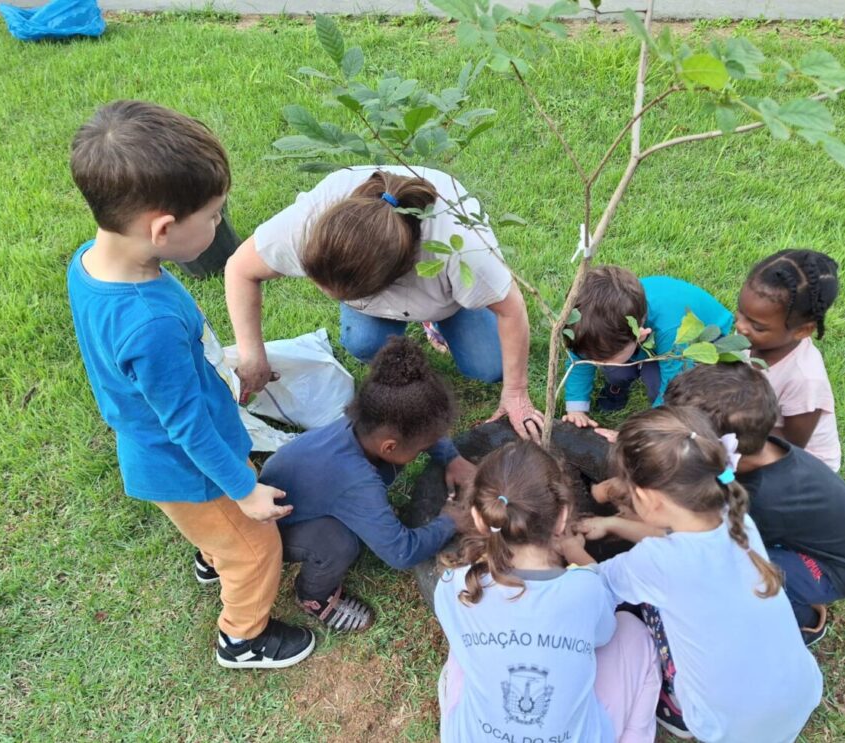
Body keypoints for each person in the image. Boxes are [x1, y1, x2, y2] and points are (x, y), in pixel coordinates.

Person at [66, 100, 314, 669]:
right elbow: (187, 427)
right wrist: (245, 491)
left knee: (218, 531)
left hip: (150, 445)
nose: (220, 226)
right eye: (214, 215)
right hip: (189, 464)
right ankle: (242, 637)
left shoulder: (90, 261)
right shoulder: (148, 323)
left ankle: (212, 549)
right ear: (163, 228)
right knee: (255, 551)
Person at [224, 165, 544, 439]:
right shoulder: (305, 225)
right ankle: (420, 314)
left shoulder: (462, 250)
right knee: (363, 343)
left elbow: (511, 309)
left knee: (489, 368)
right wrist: (253, 354)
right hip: (392, 279)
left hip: (442, 290)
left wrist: (516, 394)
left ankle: (436, 315)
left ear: (399, 276)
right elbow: (240, 269)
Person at [565, 406, 822, 743]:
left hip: (722, 726)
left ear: (645, 498)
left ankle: (675, 707)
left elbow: (596, 587)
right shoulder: (737, 518)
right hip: (800, 693)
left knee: (635, 618)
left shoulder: (656, 562)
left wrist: (572, 550)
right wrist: (613, 524)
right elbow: (682, 547)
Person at [435, 441, 660, 743]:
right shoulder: (585, 589)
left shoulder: (454, 584)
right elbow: (604, 634)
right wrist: (577, 555)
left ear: (478, 517)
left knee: (460, 654)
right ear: (563, 516)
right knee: (633, 630)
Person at [259, 337, 474, 631]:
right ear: (389, 447)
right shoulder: (357, 482)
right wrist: (450, 521)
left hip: (284, 493)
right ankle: (314, 596)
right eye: (424, 445)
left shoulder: (364, 424)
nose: (429, 446)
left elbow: (425, 429)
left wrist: (451, 457)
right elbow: (401, 552)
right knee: (338, 544)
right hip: (270, 531)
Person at [662, 362, 845, 644]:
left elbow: (716, 543)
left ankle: (803, 621)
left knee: (736, 571)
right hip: (799, 536)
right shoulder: (758, 448)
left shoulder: (765, 499)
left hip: (835, 568)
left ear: (722, 450)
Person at [560, 265, 733, 428]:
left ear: (640, 335)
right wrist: (576, 408)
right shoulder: (591, 325)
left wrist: (645, 428)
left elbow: (673, 386)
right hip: (642, 338)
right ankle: (619, 384)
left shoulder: (672, 331)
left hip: (705, 337)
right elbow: (579, 359)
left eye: (601, 359)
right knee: (615, 370)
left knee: (656, 381)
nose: (595, 364)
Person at [736, 249, 842, 470]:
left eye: (757, 326)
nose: (741, 326)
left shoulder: (805, 379)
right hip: (749, 429)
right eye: (740, 312)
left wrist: (731, 427)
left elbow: (792, 445)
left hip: (802, 463)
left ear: (802, 330)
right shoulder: (748, 338)